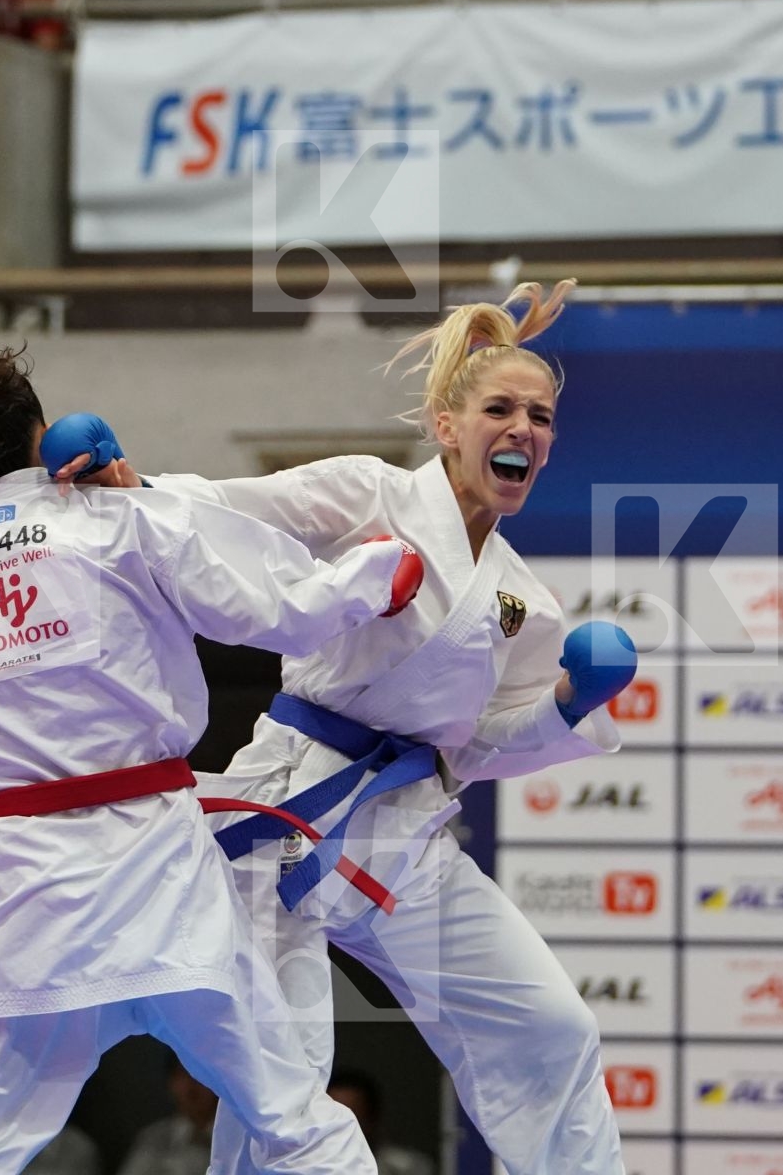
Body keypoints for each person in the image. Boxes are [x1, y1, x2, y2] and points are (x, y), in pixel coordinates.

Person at [48, 280, 637, 1175]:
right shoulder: (373, 495)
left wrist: (564, 706)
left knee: (551, 1026)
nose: (525, 428)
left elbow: (480, 742)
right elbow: (234, 509)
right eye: (502, 408)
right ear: (446, 425)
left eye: (542, 417)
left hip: (405, 838)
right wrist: (134, 489)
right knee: (284, 1081)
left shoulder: (525, 598)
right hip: (287, 813)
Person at [0, 313, 422, 1175]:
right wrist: (377, 577)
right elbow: (273, 607)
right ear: (42, 440)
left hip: (20, 906)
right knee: (294, 1121)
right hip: (161, 889)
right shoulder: (118, 523)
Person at [116, 1053, 217, 1175]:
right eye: (182, 1074)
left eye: (201, 1074)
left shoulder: (236, 1140)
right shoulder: (154, 1139)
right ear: (171, 1083)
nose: (191, 1086)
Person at [327, 1070, 434, 1175]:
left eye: (350, 1119)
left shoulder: (408, 1169)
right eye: (331, 1117)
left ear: (372, 1120)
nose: (338, 1127)